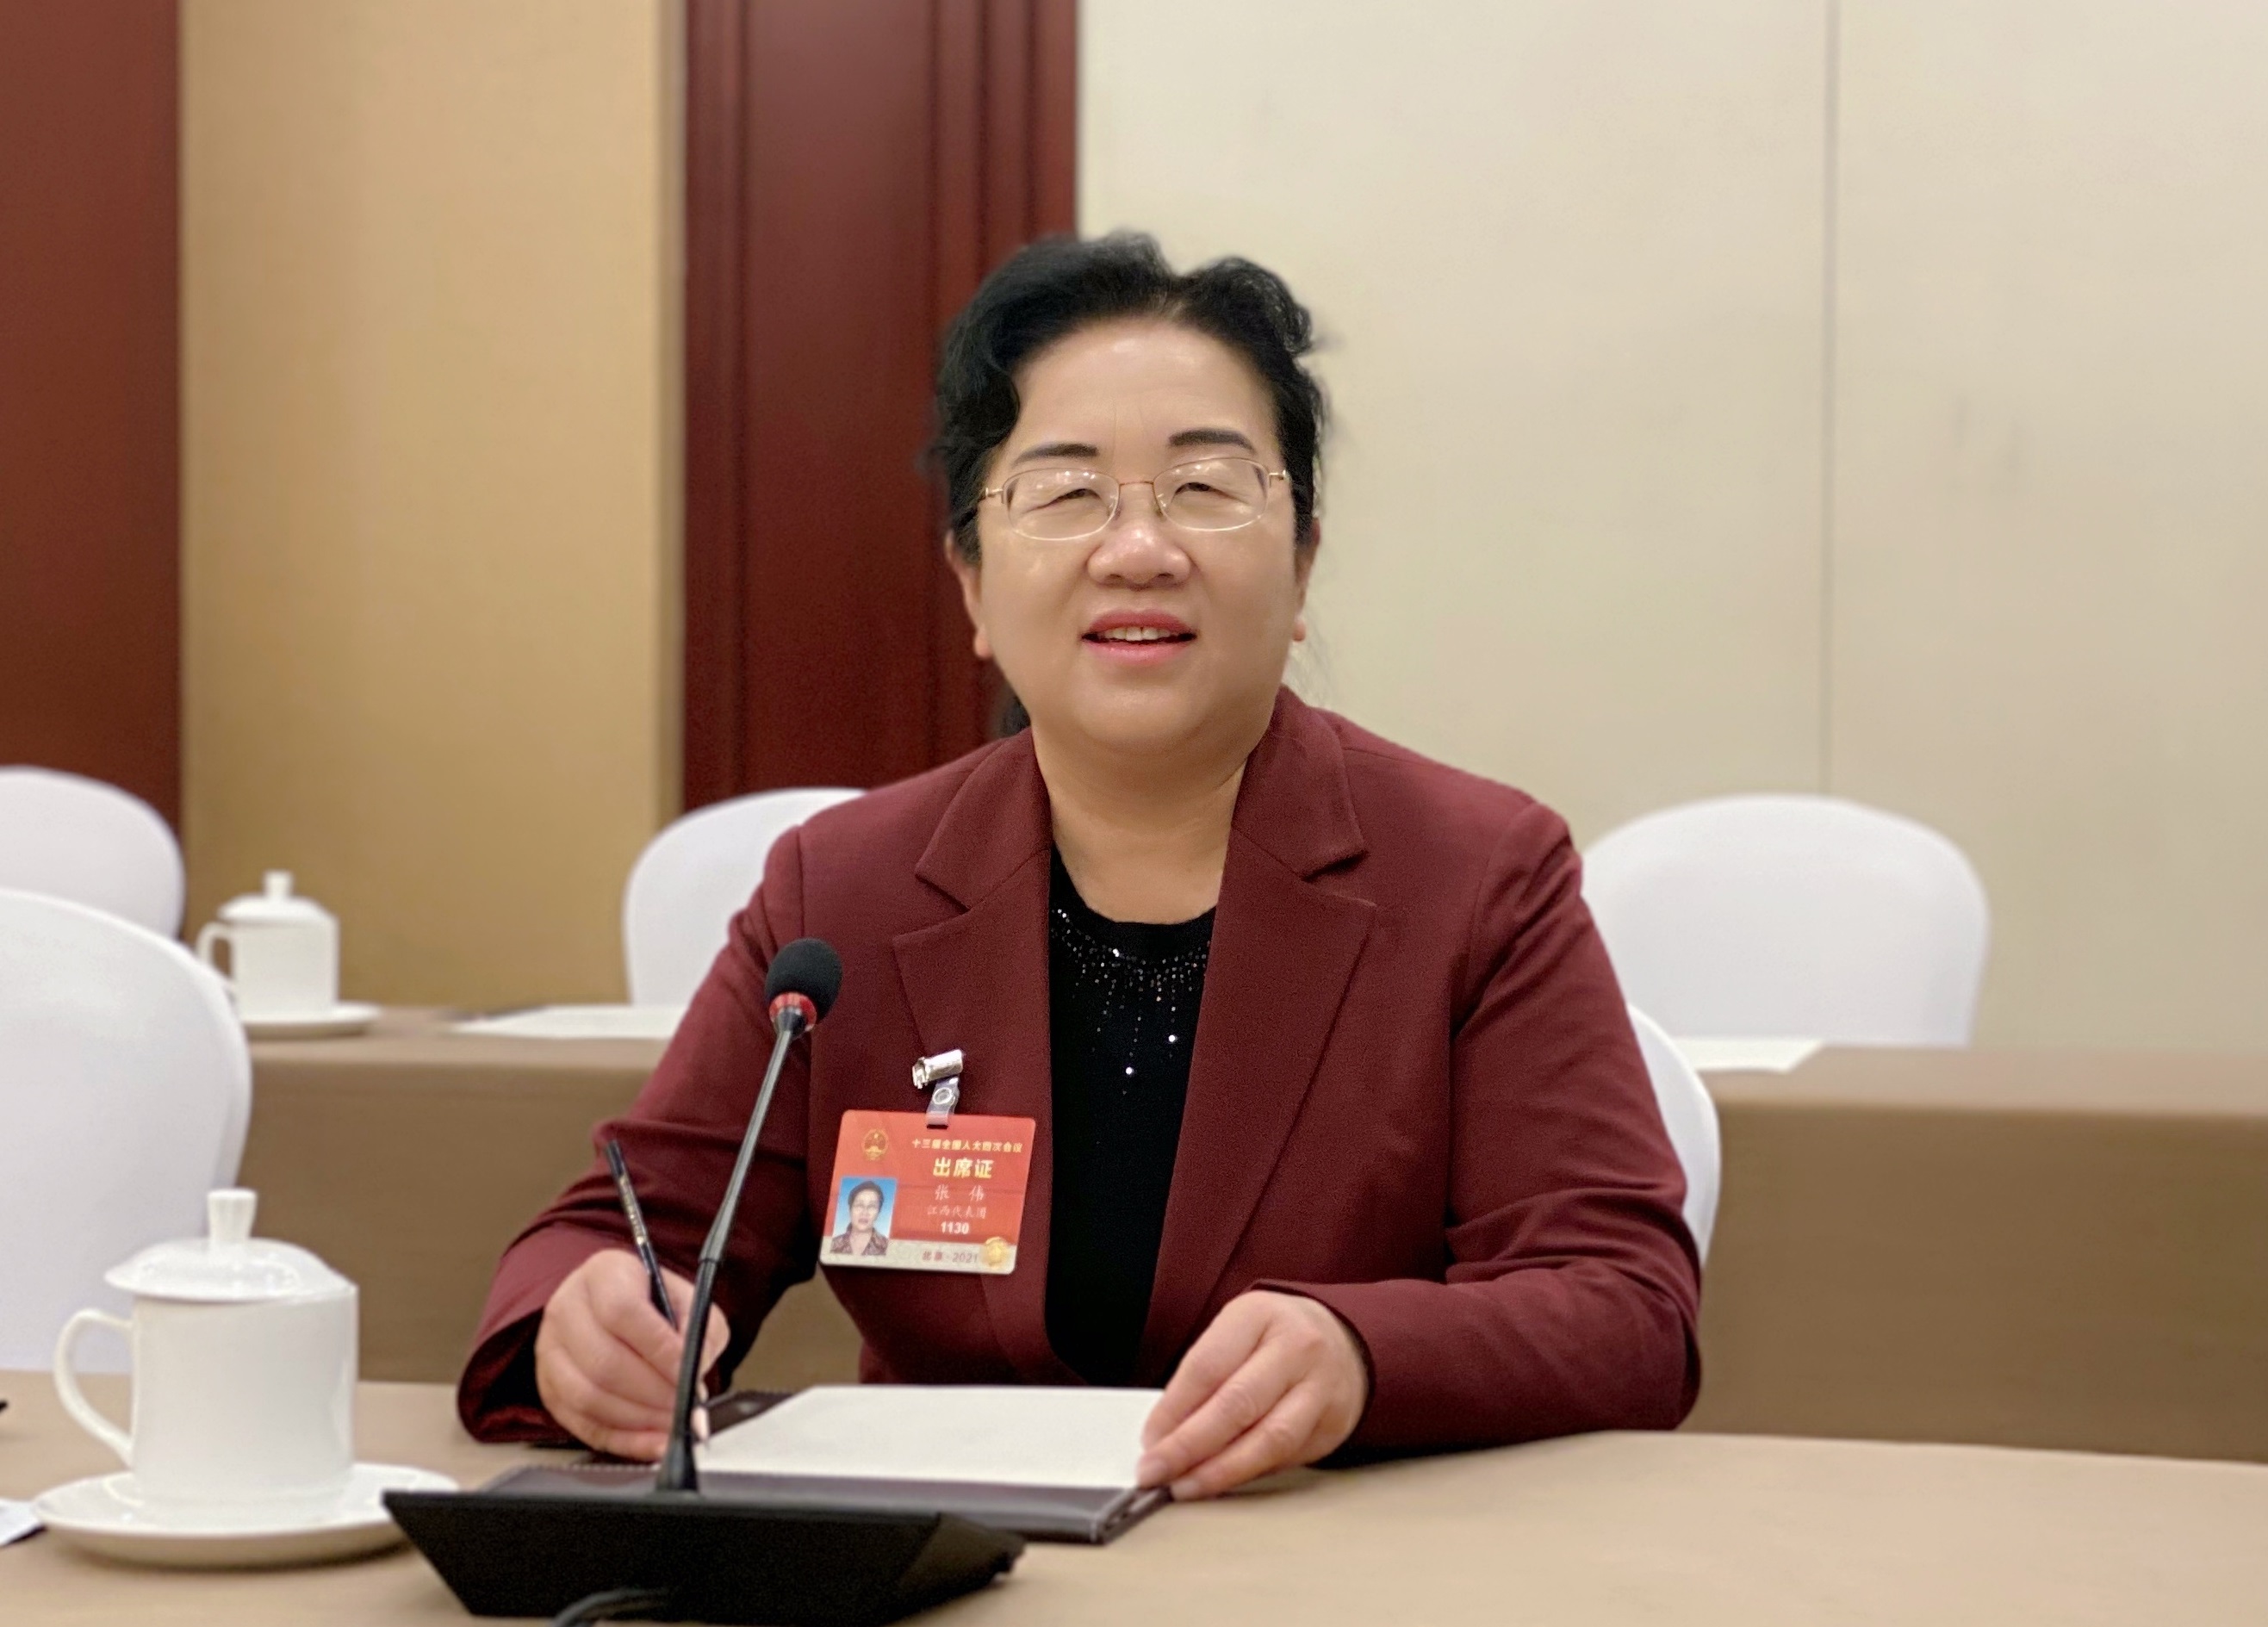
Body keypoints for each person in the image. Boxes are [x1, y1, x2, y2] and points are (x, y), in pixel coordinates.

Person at [459, 233, 1700, 1500]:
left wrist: (1363, 1355)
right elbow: (621, 1231)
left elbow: (1624, 1302)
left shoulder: (1475, 877)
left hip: (1325, 1550)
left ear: (1303, 564)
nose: (1138, 548)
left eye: (1204, 487)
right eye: (1065, 494)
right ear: (971, 583)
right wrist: (589, 1320)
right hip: (952, 1560)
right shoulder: (842, 894)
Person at [828, 1180, 890, 1257]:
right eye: (859, 1205)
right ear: (850, 1209)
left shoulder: (888, 1247)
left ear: (879, 1212)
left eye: (872, 1206)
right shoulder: (832, 1245)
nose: (864, 1212)